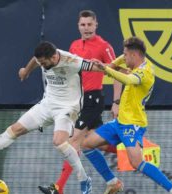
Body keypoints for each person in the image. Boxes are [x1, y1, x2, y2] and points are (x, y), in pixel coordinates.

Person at [0, 41, 99, 194]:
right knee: (15, 129)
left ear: (54, 57)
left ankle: (84, 179)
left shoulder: (71, 61)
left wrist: (112, 68)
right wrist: (26, 71)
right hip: (47, 105)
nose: (41, 64)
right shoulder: (43, 59)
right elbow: (35, 60)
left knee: (59, 142)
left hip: (67, 108)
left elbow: (97, 67)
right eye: (40, 62)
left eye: (44, 62)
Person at [82, 36, 172, 194]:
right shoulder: (137, 59)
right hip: (120, 121)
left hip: (132, 123)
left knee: (136, 162)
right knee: (86, 144)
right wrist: (106, 65)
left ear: (134, 55)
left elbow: (127, 79)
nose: (123, 57)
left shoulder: (145, 73)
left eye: (125, 54)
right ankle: (112, 182)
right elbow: (116, 63)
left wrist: (106, 69)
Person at [38, 10, 123, 194]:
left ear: (96, 25)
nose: (86, 28)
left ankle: (58, 188)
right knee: (93, 143)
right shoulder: (74, 45)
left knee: (72, 142)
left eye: (89, 24)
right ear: (78, 26)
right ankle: (128, 158)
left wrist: (116, 102)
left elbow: (118, 73)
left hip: (93, 99)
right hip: (77, 101)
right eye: (83, 25)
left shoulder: (104, 46)